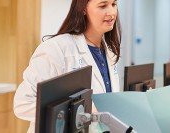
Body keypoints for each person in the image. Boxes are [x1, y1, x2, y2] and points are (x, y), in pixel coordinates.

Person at [13, 0, 121, 132]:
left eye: (114, 4)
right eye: (103, 5)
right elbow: (23, 104)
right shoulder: (56, 48)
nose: (111, 12)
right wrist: (76, 113)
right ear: (83, 9)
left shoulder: (109, 52)